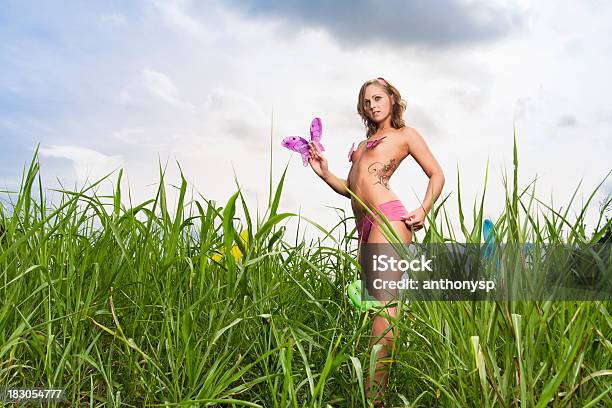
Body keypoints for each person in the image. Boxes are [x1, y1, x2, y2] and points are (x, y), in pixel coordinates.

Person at [307, 77, 445, 403]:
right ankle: (376, 389)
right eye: (367, 101)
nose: (373, 105)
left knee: (384, 308)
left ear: (392, 100)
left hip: (389, 218)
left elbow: (436, 174)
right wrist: (326, 173)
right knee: (374, 311)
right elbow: (353, 190)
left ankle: (376, 399)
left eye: (378, 98)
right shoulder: (363, 144)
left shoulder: (404, 135)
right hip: (364, 226)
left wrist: (424, 208)